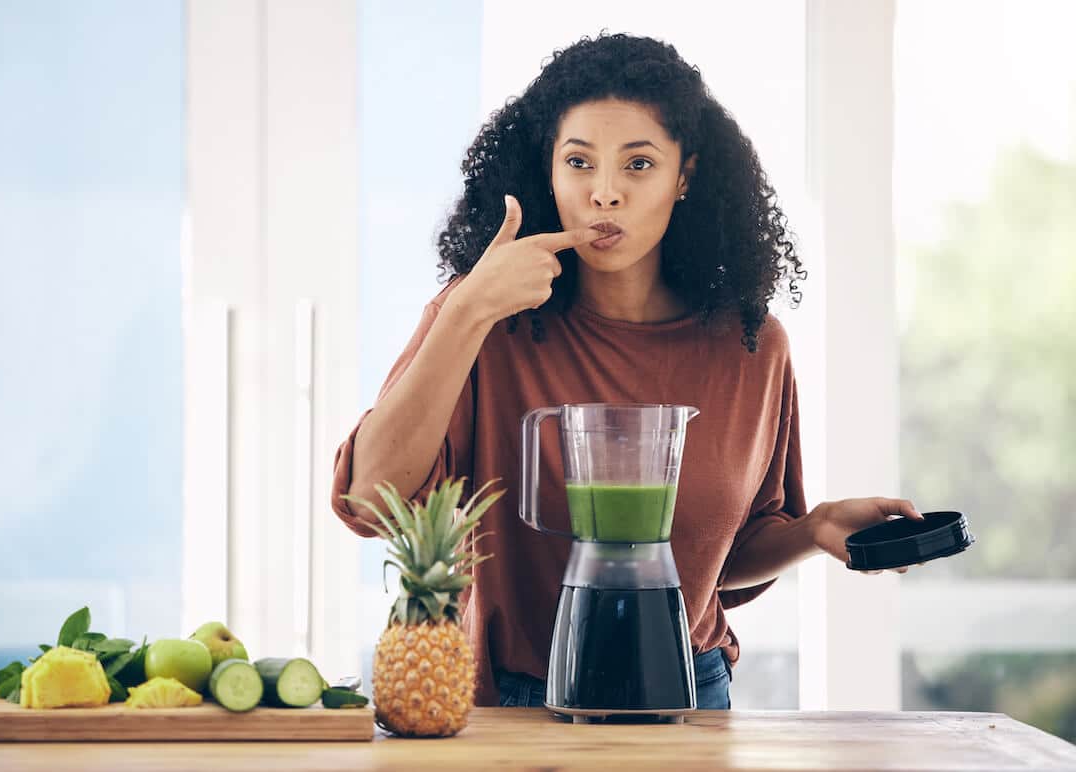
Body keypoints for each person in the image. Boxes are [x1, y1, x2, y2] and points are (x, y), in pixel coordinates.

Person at [330, 32, 923, 710]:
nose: (604, 193)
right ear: (547, 174)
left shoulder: (752, 348)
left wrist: (813, 530)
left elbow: (717, 557)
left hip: (690, 694)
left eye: (638, 165)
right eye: (579, 162)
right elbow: (368, 500)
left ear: (685, 176)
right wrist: (465, 312)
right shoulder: (485, 319)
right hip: (512, 701)